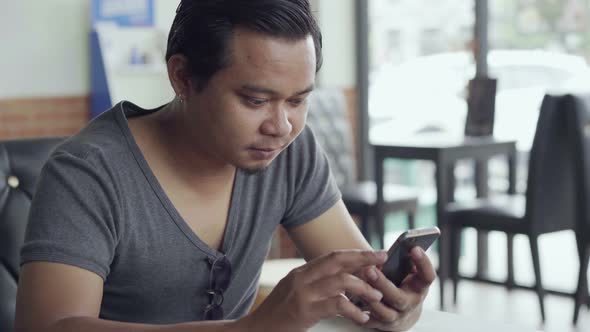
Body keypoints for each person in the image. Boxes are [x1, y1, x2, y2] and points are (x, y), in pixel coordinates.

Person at [15, 0, 436, 331]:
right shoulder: (88, 172)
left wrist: (396, 309)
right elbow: (47, 327)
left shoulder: (291, 151)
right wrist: (260, 326)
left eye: (298, 100)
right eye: (255, 101)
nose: (281, 126)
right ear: (182, 77)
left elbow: (368, 286)